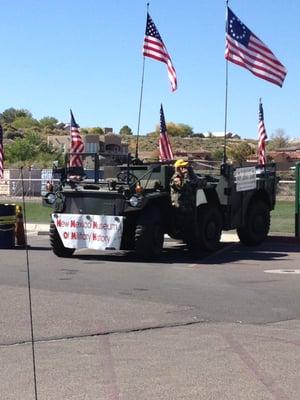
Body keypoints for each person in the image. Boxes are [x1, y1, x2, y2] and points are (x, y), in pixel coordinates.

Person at [170, 159, 199, 249]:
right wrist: (186, 175)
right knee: (186, 229)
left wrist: (191, 172)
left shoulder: (185, 177)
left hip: (188, 207)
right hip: (181, 208)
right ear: (178, 168)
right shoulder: (176, 178)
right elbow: (184, 186)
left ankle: (193, 248)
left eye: (186, 167)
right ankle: (191, 249)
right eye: (183, 167)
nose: (185, 168)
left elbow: (196, 182)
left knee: (191, 228)